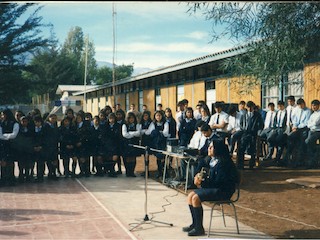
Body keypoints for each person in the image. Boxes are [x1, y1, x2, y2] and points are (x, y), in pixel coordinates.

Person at [183, 139, 239, 236]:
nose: (209, 148)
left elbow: (218, 182)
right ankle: (195, 224)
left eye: (211, 147)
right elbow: (201, 166)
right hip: (215, 188)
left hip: (223, 191)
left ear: (218, 149)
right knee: (190, 195)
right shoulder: (212, 160)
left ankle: (199, 228)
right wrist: (197, 176)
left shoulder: (224, 163)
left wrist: (202, 184)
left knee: (196, 198)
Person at [284, 98, 311, 167]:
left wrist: (298, 127)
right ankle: (287, 159)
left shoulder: (308, 111)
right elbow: (294, 120)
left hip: (304, 128)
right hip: (296, 128)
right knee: (289, 138)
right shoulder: (296, 110)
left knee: (302, 142)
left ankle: (299, 161)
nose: (300, 107)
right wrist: (295, 126)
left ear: (304, 104)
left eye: (301, 105)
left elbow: (307, 122)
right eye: (299, 105)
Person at [237, 101, 264, 169]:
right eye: (248, 107)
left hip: (253, 134)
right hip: (245, 133)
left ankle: (251, 164)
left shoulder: (257, 115)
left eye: (251, 107)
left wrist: (257, 130)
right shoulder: (244, 115)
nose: (249, 109)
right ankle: (240, 164)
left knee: (252, 149)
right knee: (242, 148)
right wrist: (243, 129)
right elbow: (241, 123)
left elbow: (261, 125)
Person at [266, 100, 287, 166]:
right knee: (270, 138)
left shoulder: (286, 113)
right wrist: (274, 128)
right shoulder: (278, 112)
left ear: (283, 106)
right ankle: (270, 154)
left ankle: (278, 158)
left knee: (279, 141)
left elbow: (286, 122)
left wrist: (284, 130)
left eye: (281, 106)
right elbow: (275, 121)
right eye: (278, 106)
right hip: (276, 128)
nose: (279, 107)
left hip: (282, 129)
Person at [122, 112, 142, 177]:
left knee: (133, 158)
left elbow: (138, 133)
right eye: (130, 118)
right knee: (127, 158)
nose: (131, 119)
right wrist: (133, 134)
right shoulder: (124, 125)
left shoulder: (137, 125)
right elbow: (125, 134)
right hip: (126, 143)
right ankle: (128, 171)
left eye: (133, 118)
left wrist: (130, 133)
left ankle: (132, 172)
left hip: (134, 143)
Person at [305, 99, 320, 169]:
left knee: (309, 142)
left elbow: (316, 123)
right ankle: (310, 162)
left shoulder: (319, 114)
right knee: (307, 143)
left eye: (315, 105)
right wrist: (311, 124)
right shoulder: (312, 114)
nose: (313, 107)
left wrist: (311, 124)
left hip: (317, 131)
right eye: (312, 105)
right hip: (311, 131)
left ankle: (313, 161)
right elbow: (308, 124)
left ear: (318, 106)